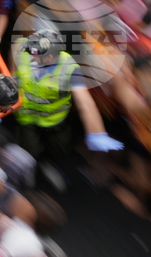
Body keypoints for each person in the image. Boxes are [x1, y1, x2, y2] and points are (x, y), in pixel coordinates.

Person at [13, 28, 123, 191]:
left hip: (55, 120)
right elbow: (13, 73)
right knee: (30, 148)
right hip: (26, 117)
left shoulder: (69, 68)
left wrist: (96, 133)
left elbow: (85, 102)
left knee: (58, 147)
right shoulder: (20, 47)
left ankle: (49, 165)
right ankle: (29, 170)